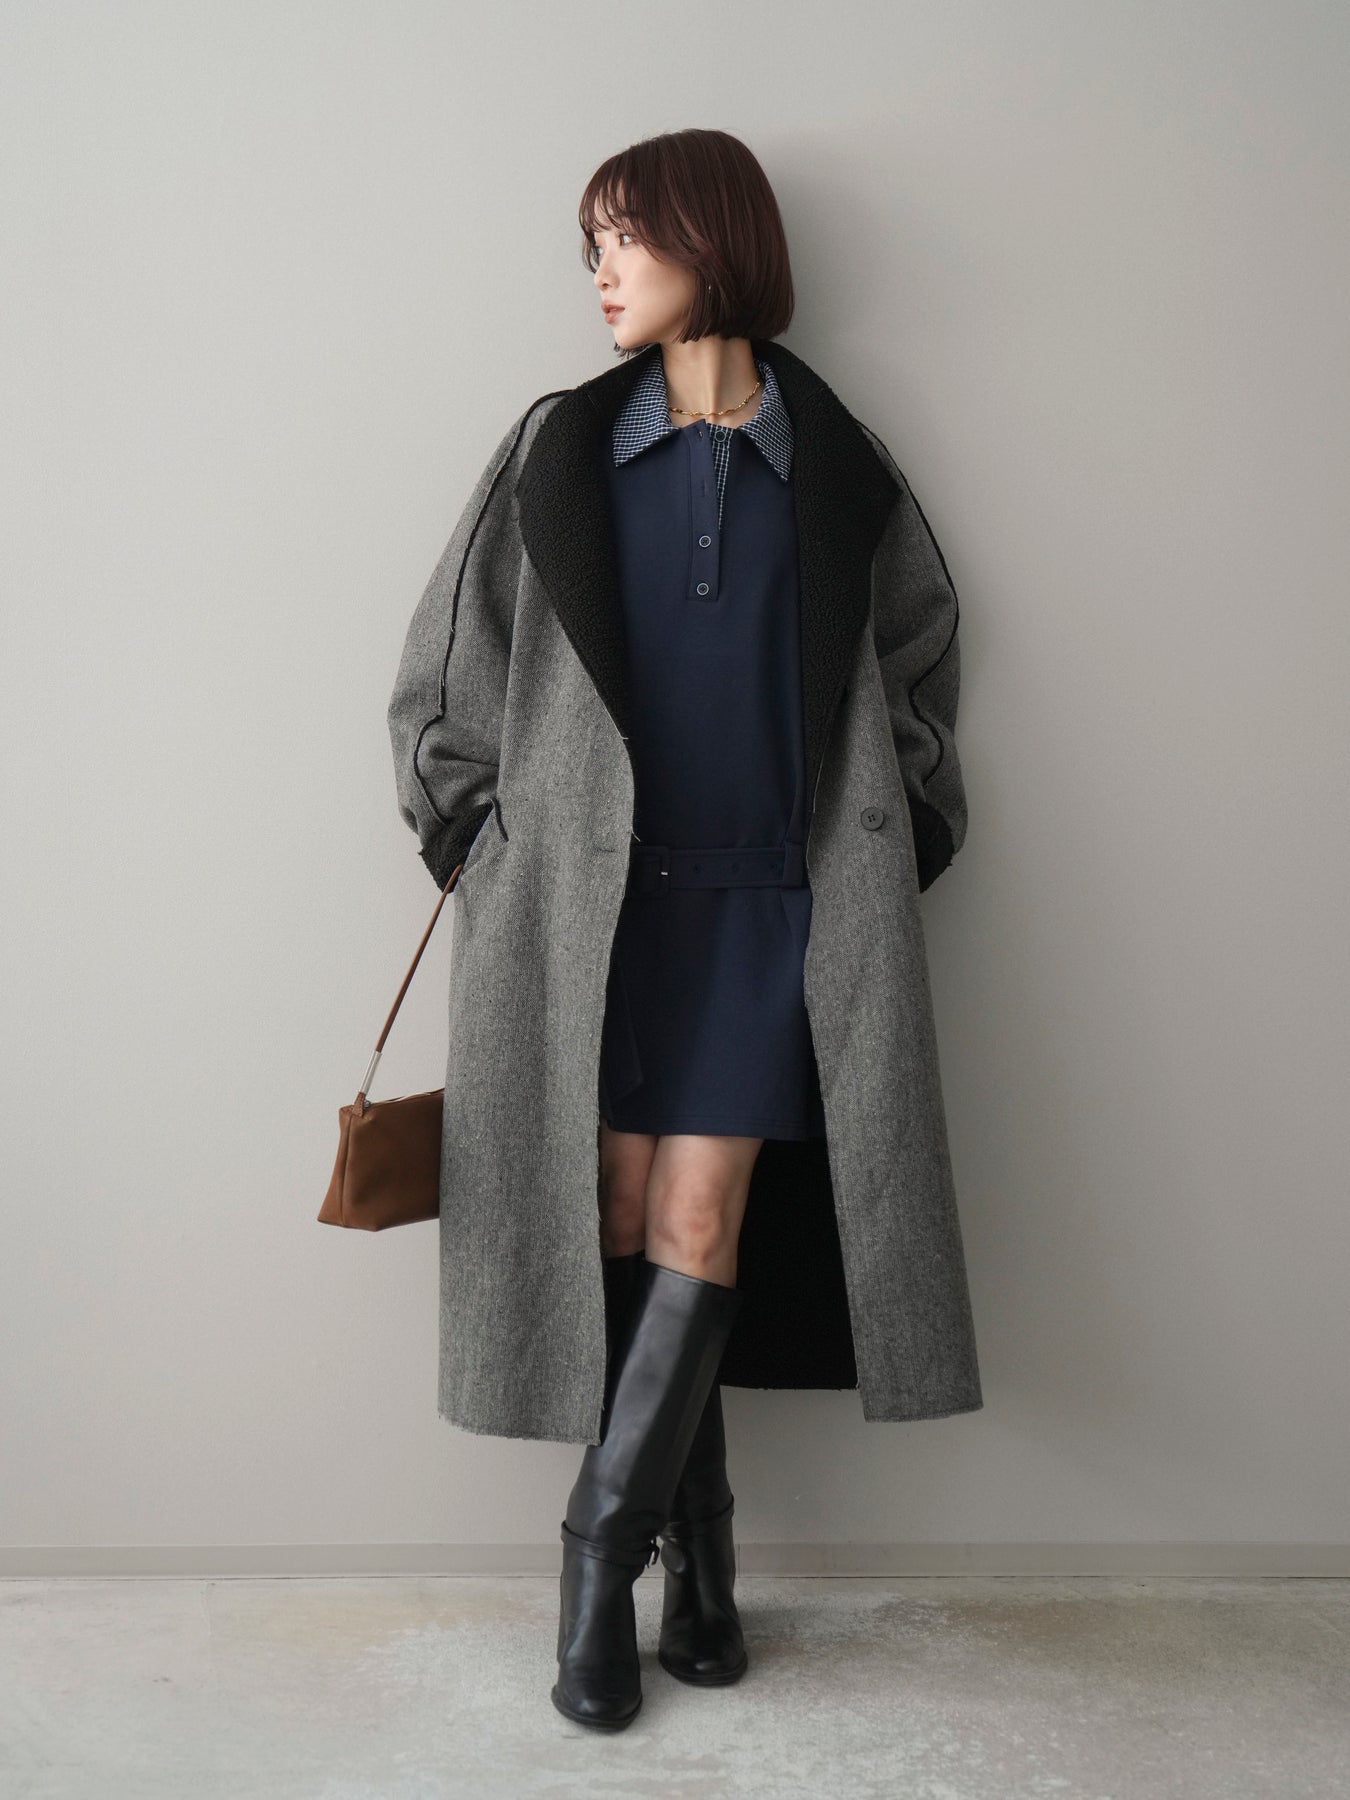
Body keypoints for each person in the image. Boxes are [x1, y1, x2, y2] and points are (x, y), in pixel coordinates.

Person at [385, 127, 982, 1733]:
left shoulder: (834, 461)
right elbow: (447, 665)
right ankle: (699, 1553)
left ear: (711, 244)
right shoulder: (559, 448)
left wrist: (909, 820)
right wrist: (468, 827)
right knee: (621, 1216)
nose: (598, 272)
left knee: (701, 1218)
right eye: (588, 245)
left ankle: (595, 1564)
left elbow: (919, 649)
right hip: (593, 910)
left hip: (771, 904)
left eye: (623, 239)